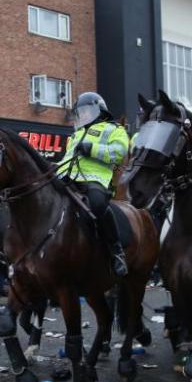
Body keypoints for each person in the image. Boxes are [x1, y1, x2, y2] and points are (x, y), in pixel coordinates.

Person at [60, 92, 130, 276]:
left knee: (98, 205)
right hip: (67, 177)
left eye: (86, 111)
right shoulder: (76, 134)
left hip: (95, 180)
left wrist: (92, 148)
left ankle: (117, 252)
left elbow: (119, 152)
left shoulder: (114, 129)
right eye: (79, 112)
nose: (82, 115)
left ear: (98, 109)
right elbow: (66, 159)